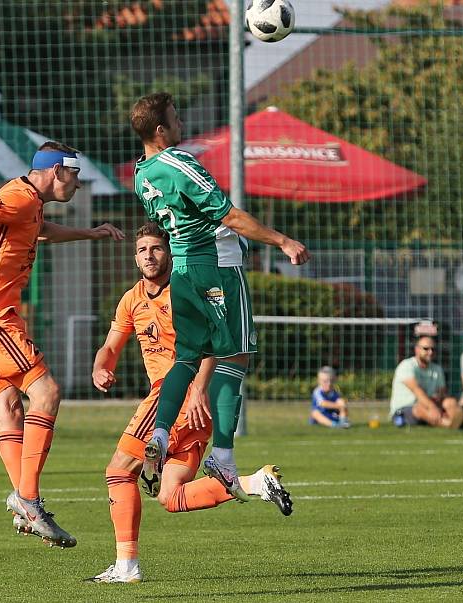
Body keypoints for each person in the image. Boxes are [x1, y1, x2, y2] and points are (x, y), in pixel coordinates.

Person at [0, 141, 124, 549]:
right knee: (45, 391)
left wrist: (88, 232)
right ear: (56, 171)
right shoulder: (17, 196)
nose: (79, 184)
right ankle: (28, 499)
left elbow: (39, 230)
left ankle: (26, 504)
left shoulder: (31, 204)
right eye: (76, 175)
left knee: (9, 408)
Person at [129, 92, 310, 500]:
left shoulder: (141, 174)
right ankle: (223, 456)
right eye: (174, 119)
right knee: (236, 354)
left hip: (182, 270)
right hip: (217, 266)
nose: (180, 125)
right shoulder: (180, 163)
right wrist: (282, 241)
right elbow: (227, 215)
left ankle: (159, 432)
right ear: (160, 130)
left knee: (187, 357)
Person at [87, 223, 292, 584]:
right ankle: (257, 483)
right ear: (135, 258)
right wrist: (101, 366)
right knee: (170, 496)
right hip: (194, 411)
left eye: (156, 248)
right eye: (142, 250)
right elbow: (110, 345)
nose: (149, 256)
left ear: (170, 252)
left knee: (118, 471)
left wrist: (198, 388)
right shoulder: (131, 299)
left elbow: (216, 341)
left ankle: (126, 566)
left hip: (175, 395)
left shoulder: (185, 289)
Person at [389, 336, 463, 429]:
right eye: (426, 349)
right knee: (420, 407)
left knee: (451, 402)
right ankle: (449, 425)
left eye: (433, 349)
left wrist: (440, 398)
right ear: (416, 349)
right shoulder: (406, 366)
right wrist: (432, 407)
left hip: (429, 403)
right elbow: (417, 391)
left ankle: (455, 423)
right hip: (406, 408)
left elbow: (443, 392)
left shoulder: (437, 369)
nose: (430, 352)